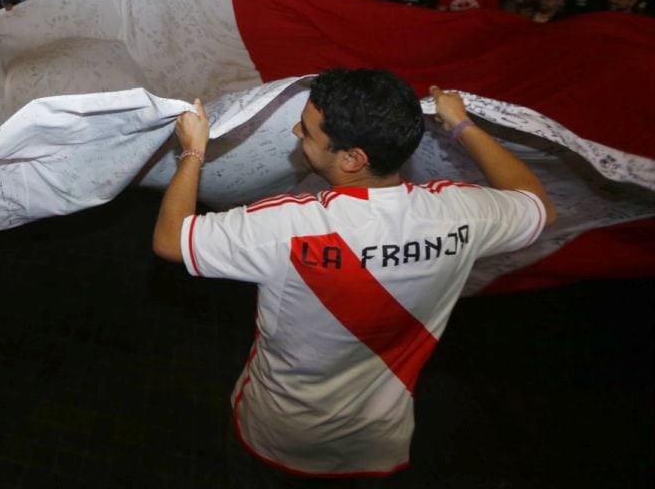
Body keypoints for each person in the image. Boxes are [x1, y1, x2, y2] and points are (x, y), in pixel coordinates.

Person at [153, 68, 554, 484]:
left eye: (307, 131)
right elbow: (538, 205)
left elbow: (171, 239)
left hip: (280, 435)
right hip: (376, 444)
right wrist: (462, 124)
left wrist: (193, 152)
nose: (295, 131)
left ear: (352, 158)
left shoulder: (288, 227)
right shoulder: (459, 214)